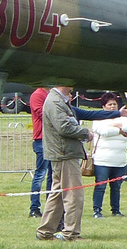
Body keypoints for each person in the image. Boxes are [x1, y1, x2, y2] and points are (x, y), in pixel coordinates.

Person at [36, 85, 91, 241]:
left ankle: (45, 231)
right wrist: (86, 133)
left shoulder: (59, 100)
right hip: (64, 153)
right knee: (74, 195)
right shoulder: (55, 101)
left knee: (58, 195)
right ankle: (71, 233)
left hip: (63, 153)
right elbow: (64, 127)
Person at [90, 93, 127, 218]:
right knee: (100, 186)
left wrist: (114, 126)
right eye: (109, 104)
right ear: (104, 106)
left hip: (120, 159)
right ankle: (97, 210)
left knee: (116, 187)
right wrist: (119, 129)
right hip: (102, 159)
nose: (112, 106)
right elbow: (104, 131)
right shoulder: (98, 119)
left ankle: (116, 210)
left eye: (114, 104)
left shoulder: (124, 118)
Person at [28, 87, 52, 218]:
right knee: (41, 173)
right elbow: (41, 113)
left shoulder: (52, 94)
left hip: (52, 140)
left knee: (53, 175)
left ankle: (51, 207)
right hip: (41, 140)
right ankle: (34, 207)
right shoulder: (38, 94)